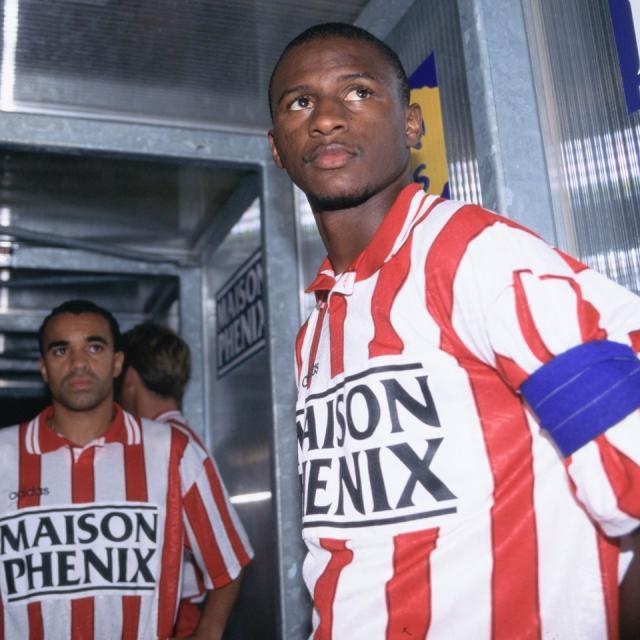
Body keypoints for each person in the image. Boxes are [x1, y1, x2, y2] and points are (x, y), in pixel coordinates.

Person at [268, 22, 640, 639]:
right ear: (277, 149)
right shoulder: (318, 327)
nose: (327, 118)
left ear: (412, 125)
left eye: (358, 92)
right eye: (300, 102)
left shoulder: (476, 255)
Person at [0, 300, 253, 639]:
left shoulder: (172, 451)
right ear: (43, 367)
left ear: (117, 363)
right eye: (61, 351)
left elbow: (229, 559)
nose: (78, 363)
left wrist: (209, 630)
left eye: (94, 347)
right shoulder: (4, 455)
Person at [118, 322, 231, 638]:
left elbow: (230, 557)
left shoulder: (169, 445)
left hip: (178, 619)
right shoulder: (173, 439)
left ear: (129, 379)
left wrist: (208, 631)